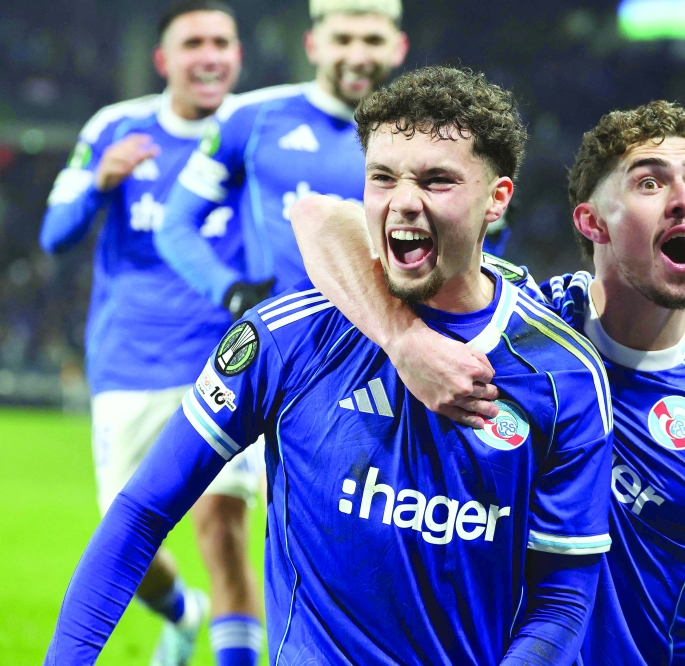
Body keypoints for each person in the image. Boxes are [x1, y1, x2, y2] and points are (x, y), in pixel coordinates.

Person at [290, 100, 685, 664]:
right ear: (591, 222)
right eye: (650, 182)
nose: (684, 198)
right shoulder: (524, 326)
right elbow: (318, 218)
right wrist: (404, 338)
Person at [46, 66, 615, 666]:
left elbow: (561, 599)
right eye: (382, 177)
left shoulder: (565, 374)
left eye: (438, 180)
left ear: (497, 199)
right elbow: (142, 512)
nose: (404, 203)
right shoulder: (285, 337)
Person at [38, 2, 264, 664]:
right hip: (129, 363)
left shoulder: (255, 132)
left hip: (226, 359)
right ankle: (180, 611)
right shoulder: (116, 127)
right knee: (128, 535)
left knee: (223, 529)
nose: (210, 54)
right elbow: (55, 237)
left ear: (238, 56)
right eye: (193, 42)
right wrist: (99, 183)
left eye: (222, 41)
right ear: (165, 60)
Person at [154, 0, 409, 318]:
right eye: (341, 40)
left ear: (398, 48)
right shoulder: (250, 117)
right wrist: (231, 291)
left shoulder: (416, 132)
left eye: (373, 41)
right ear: (312, 45)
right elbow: (175, 225)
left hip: (383, 340)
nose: (357, 58)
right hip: (285, 341)